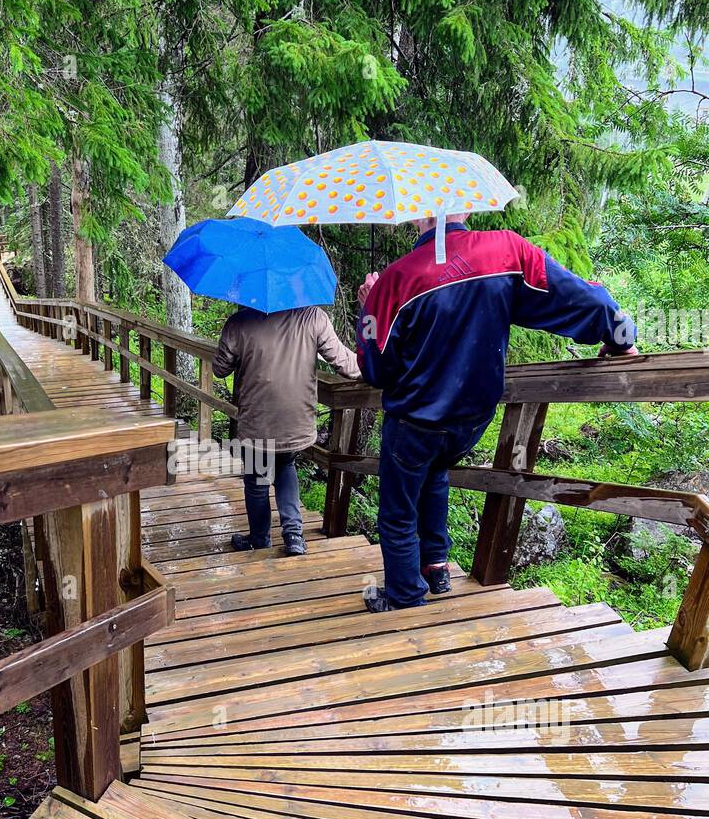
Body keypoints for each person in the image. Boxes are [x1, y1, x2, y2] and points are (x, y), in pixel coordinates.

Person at [357, 215, 638, 611]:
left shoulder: (395, 281)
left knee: (398, 508)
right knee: (435, 470)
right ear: (467, 210)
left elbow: (376, 370)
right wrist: (620, 335)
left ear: (418, 215)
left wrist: (371, 301)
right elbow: (578, 296)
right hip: (471, 420)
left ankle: (405, 595)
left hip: (415, 420)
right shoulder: (506, 251)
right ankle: (436, 567)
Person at [212, 304, 360, 554]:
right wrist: (379, 370)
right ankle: (293, 536)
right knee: (286, 466)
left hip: (258, 418)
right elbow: (343, 362)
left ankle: (260, 539)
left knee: (258, 479)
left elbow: (219, 368)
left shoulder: (240, 322)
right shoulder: (313, 317)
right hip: (296, 417)